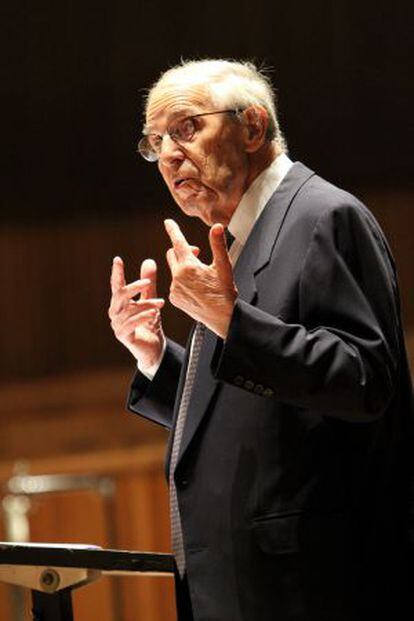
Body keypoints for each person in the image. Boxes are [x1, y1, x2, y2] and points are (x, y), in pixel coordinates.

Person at [109, 59, 413, 621]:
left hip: (312, 587)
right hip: (247, 586)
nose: (169, 155)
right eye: (156, 143)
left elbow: (364, 379)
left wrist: (231, 322)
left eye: (185, 128)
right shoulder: (241, 238)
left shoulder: (323, 216)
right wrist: (155, 357)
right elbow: (253, 401)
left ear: (252, 128)